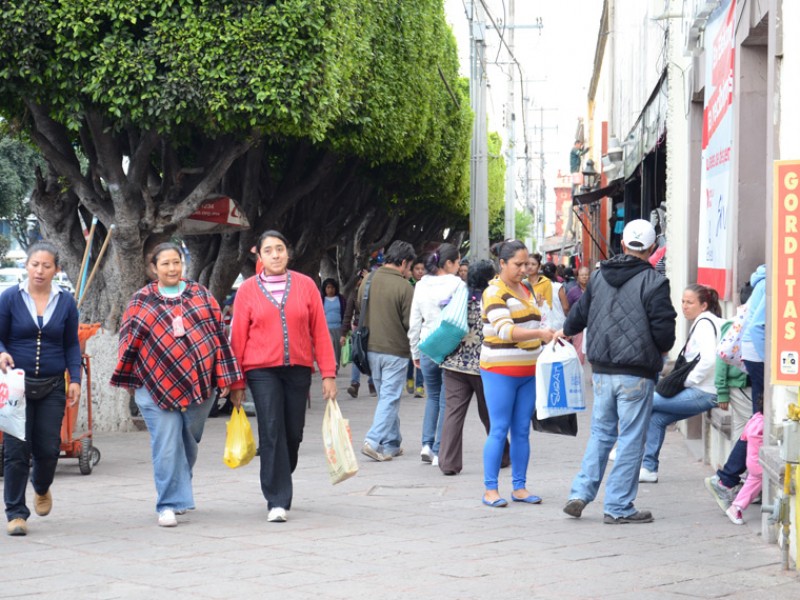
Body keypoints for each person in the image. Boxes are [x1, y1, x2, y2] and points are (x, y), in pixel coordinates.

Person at [111, 243, 242, 528]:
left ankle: (179, 486)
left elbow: (219, 337)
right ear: (153, 268)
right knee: (166, 442)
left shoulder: (201, 295)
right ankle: (168, 503)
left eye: (176, 262)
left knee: (188, 441)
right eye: (165, 264)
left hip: (199, 385)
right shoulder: (141, 300)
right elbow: (128, 341)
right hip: (154, 386)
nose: (172, 268)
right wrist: (131, 379)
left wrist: (225, 378)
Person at [561, 219, 676, 524]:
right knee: (630, 438)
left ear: (623, 245)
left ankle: (580, 493)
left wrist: (566, 331)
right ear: (651, 249)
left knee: (600, 434)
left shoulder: (598, 278)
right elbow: (665, 333)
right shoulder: (654, 282)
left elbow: (576, 318)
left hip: (601, 371)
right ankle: (618, 505)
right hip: (636, 372)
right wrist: (661, 349)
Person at [229, 230, 337, 523]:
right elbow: (237, 337)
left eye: (280, 249)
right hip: (260, 370)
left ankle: (279, 473)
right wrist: (236, 383)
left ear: (287, 253)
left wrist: (329, 374)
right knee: (272, 428)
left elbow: (320, 332)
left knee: (293, 432)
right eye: (269, 250)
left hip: (298, 369)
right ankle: (277, 499)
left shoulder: (306, 286)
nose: (275, 254)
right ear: (259, 256)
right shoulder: (248, 290)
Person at [1, 242, 81, 537]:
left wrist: (75, 379)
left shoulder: (66, 301)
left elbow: (71, 343)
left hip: (52, 385)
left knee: (48, 449)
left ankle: (42, 486)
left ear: (56, 269)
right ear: (26, 266)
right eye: (35, 264)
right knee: (16, 451)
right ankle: (16, 513)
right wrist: (1, 353)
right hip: (15, 387)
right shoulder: (9, 298)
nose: (40, 271)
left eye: (47, 266)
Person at [480, 240, 556, 508]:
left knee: (522, 430)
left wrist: (550, 335)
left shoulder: (527, 289)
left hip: (529, 370)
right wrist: (539, 334)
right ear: (502, 264)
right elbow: (505, 330)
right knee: (499, 429)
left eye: (526, 264)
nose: (524, 269)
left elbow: (540, 321)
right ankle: (490, 489)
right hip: (499, 370)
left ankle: (519, 487)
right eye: (518, 264)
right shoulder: (494, 292)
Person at [639, 284, 722, 483]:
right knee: (656, 419)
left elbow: (710, 359)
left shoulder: (704, 324)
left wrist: (688, 381)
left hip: (704, 391)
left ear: (703, 305)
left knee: (643, 401)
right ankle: (648, 468)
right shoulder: (704, 322)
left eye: (690, 302)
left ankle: (626, 449)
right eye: (683, 301)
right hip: (702, 390)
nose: (684, 306)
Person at [438, 260, 509, 475]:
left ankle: (448, 463)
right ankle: (503, 456)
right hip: (484, 366)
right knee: (489, 413)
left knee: (453, 413)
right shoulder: (492, 300)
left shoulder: (458, 298)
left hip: (454, 365)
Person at [705, 265, 766, 508]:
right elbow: (758, 328)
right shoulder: (772, 278)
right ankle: (728, 480)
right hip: (759, 355)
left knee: (757, 421)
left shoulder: (764, 277)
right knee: (760, 421)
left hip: (755, 354)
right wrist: (770, 369)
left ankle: (730, 479)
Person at [359, 240, 416, 462]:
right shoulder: (405, 287)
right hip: (396, 351)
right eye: (409, 266)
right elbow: (410, 323)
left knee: (386, 397)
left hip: (370, 349)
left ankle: (392, 443)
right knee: (390, 398)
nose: (409, 271)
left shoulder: (368, 280)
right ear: (402, 262)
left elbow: (359, 308)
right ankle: (373, 441)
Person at [408, 243, 464, 466]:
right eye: (458, 262)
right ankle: (439, 449)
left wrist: (415, 351)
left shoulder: (421, 285)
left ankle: (426, 444)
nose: (459, 267)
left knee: (432, 397)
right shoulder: (457, 284)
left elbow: (414, 322)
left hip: (426, 346)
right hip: (449, 348)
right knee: (446, 401)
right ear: (448, 263)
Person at [724, 401, 763, 525]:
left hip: (752, 460)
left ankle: (736, 507)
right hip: (758, 463)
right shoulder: (763, 424)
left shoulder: (755, 418)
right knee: (753, 486)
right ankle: (736, 507)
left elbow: (744, 437)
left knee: (750, 485)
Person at [340, 270, 376, 399]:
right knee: (357, 356)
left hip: (372, 328)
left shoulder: (374, 294)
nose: (362, 281)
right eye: (361, 278)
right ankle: (354, 384)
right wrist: (343, 333)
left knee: (371, 357)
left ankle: (372, 383)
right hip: (357, 329)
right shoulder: (354, 294)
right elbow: (348, 314)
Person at [405, 257, 426, 397]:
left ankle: (420, 385)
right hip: (411, 324)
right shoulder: (407, 285)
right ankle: (409, 378)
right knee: (411, 355)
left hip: (424, 326)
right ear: (412, 271)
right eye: (417, 269)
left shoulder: (427, 286)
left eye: (422, 269)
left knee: (421, 354)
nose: (420, 272)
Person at [321, 278, 345, 372]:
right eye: (328, 287)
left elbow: (345, 312)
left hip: (338, 327)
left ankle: (336, 366)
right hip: (326, 328)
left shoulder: (341, 299)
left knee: (337, 349)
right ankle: (331, 365)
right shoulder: (321, 299)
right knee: (330, 347)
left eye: (332, 287)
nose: (330, 290)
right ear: (324, 289)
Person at [541, 262, 569, 330]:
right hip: (559, 323)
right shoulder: (558, 287)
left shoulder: (540, 287)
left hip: (544, 324)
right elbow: (565, 307)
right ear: (555, 272)